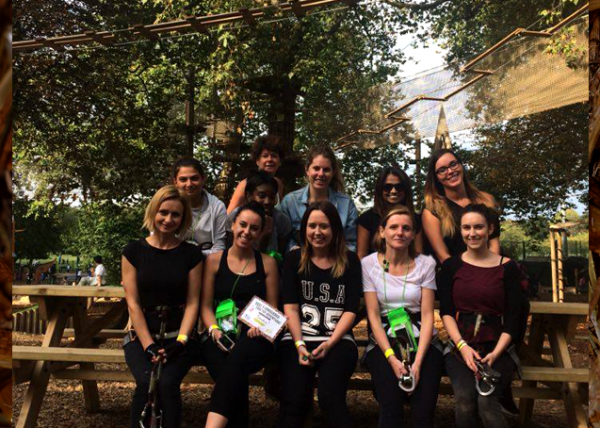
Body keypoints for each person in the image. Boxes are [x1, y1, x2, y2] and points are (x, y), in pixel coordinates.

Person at [121, 185, 203, 428]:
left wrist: (181, 341)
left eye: (175, 214)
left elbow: (193, 302)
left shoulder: (191, 254)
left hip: (180, 336)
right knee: (146, 382)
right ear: (153, 212)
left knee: (167, 384)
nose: (168, 219)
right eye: (163, 212)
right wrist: (149, 346)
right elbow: (133, 303)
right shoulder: (133, 252)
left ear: (183, 219)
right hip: (141, 335)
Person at [438, 204, 525, 428]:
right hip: (460, 346)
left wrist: (496, 353)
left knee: (487, 402)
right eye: (466, 228)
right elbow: (446, 312)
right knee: (465, 401)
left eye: (478, 227)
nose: (472, 233)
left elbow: (514, 318)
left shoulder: (508, 267)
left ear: (490, 229)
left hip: (499, 346)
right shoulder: (451, 266)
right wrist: (462, 347)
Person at [278, 201, 362, 428]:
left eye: (324, 226)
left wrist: (330, 343)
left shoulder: (350, 261)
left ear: (335, 229)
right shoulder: (294, 259)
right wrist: (299, 345)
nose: (317, 232)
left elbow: (350, 310)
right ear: (304, 228)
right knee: (294, 401)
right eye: (312, 226)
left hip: (338, 340)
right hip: (298, 339)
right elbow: (290, 307)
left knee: (330, 398)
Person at [362, 207, 443, 428]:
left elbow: (428, 315)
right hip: (385, 341)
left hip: (423, 339)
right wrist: (391, 358)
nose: (400, 232)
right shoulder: (368, 264)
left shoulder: (426, 264)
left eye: (406, 228)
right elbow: (373, 316)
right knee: (390, 408)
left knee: (423, 412)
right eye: (393, 227)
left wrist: (417, 363)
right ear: (382, 231)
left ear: (413, 234)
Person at [201, 201, 279, 428]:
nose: (246, 232)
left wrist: (261, 327)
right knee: (233, 372)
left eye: (254, 228)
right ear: (232, 225)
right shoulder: (214, 261)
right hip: (218, 333)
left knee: (237, 361)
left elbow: (273, 308)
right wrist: (214, 330)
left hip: (255, 336)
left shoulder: (268, 263)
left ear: (261, 232)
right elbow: (205, 306)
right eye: (242, 225)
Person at [422, 149, 500, 264]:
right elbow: (443, 256)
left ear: (461, 165)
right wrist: (471, 273)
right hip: (455, 271)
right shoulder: (432, 211)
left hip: (492, 267)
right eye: (442, 170)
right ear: (436, 177)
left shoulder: (486, 200)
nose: (450, 171)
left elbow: (494, 245)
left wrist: (489, 270)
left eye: (453, 164)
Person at [279, 145, 358, 252]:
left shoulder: (346, 205)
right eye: (316, 168)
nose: (321, 174)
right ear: (307, 169)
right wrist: (297, 253)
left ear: (333, 172)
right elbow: (283, 239)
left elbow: (351, 243)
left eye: (326, 170)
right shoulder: (290, 202)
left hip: (336, 260)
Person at [357, 166, 422, 259]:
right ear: (380, 189)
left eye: (399, 187)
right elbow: (361, 256)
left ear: (406, 190)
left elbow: (418, 256)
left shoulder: (415, 219)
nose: (393, 191)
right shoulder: (366, 219)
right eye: (387, 187)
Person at [227, 171, 292, 256]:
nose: (267, 202)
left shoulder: (281, 220)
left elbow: (282, 255)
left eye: (272, 197)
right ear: (249, 196)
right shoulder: (235, 217)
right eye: (262, 196)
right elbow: (229, 250)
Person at [172, 157, 227, 257]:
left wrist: (192, 255)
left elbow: (219, 248)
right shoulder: (168, 205)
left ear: (203, 179)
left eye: (194, 178)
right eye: (183, 179)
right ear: (175, 182)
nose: (189, 184)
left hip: (207, 262)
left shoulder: (217, 207)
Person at [227, 134, 286, 214]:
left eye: (274, 156)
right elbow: (229, 215)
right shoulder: (245, 184)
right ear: (257, 161)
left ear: (280, 161)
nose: (270, 159)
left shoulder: (278, 184)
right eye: (265, 156)